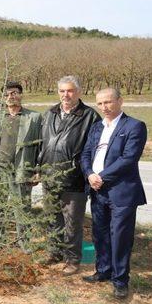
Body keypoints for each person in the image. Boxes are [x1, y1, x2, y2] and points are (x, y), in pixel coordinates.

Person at [80, 88, 147, 299]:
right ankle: (103, 271)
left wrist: (101, 176)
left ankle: (120, 280)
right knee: (100, 233)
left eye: (108, 102)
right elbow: (86, 154)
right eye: (100, 104)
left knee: (120, 237)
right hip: (98, 190)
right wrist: (90, 174)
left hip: (122, 192)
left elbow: (128, 158)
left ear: (120, 101)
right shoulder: (96, 127)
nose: (104, 107)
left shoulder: (134, 126)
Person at [38, 76, 101, 276]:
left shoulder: (90, 116)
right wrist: (38, 168)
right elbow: (42, 144)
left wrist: (88, 173)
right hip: (49, 175)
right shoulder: (50, 113)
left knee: (72, 222)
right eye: (62, 91)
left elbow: (94, 149)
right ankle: (54, 252)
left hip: (74, 179)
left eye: (70, 91)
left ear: (79, 92)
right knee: (51, 218)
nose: (66, 95)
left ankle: (72, 260)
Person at [0, 82, 42, 249]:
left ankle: (24, 242)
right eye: (7, 94)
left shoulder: (34, 118)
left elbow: (40, 148)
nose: (10, 97)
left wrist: (37, 170)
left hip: (21, 169)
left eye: (14, 93)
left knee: (22, 208)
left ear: (21, 95)